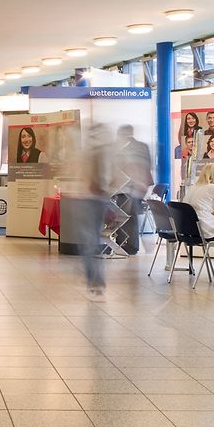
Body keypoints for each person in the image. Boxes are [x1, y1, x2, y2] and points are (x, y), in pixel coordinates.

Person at [77, 124, 112, 297]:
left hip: (94, 200)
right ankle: (94, 279)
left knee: (91, 240)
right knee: (92, 240)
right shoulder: (96, 153)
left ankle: (95, 279)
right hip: (93, 200)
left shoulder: (93, 153)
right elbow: (101, 179)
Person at [114, 125, 153, 255]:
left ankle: (128, 245)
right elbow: (148, 165)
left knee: (128, 216)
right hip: (137, 185)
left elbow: (131, 166)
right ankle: (128, 244)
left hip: (131, 186)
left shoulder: (127, 147)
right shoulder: (142, 146)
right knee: (130, 215)